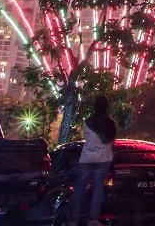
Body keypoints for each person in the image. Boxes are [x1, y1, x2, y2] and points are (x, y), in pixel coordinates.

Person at [69, 95, 117, 226]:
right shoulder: (110, 123)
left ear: (94, 106)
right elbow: (112, 141)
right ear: (106, 107)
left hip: (86, 157)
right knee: (97, 189)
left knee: (79, 188)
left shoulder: (87, 122)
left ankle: (73, 220)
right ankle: (93, 220)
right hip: (103, 158)